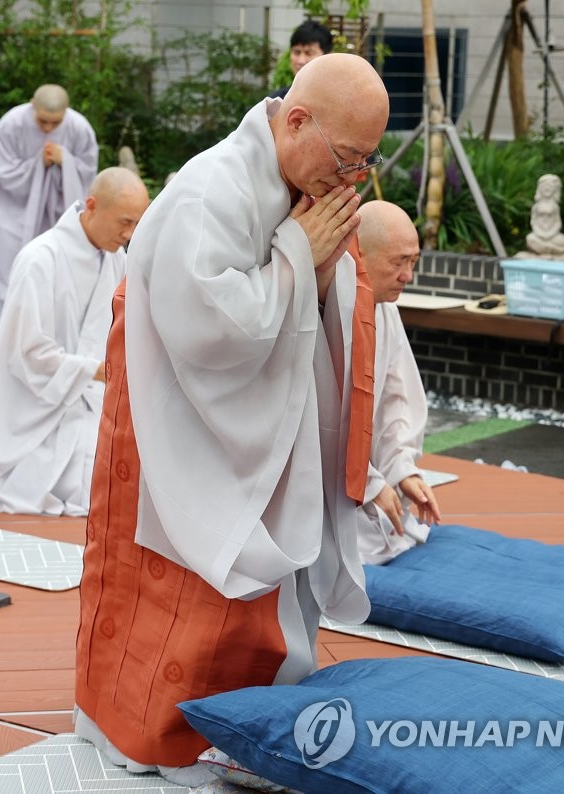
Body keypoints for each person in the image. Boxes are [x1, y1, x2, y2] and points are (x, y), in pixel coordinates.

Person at [75, 53, 389, 781]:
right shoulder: (209, 192)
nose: (350, 180)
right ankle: (159, 734)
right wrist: (294, 258)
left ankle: (252, 723)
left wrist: (312, 268)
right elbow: (207, 328)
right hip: (179, 420)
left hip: (263, 413)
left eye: (365, 164)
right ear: (298, 120)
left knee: (255, 598)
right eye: (347, 158)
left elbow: (324, 297)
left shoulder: (300, 182)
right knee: (178, 585)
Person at [0, 167, 149, 516]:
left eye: (136, 224)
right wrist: (94, 370)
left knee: (128, 475)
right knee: (79, 485)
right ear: (91, 205)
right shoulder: (40, 258)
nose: (129, 234)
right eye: (124, 222)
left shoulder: (116, 260)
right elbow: (26, 351)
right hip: (33, 399)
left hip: (87, 393)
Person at [0, 84, 98, 347]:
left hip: (58, 214)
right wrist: (38, 164)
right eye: (43, 121)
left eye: (56, 123)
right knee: (9, 268)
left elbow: (88, 174)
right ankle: (2, 343)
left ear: (66, 112)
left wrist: (67, 161)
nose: (49, 129)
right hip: (13, 211)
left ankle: (46, 344)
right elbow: (4, 172)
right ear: (32, 104)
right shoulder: (11, 124)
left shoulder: (79, 127)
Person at [353, 200, 441, 564]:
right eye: (397, 262)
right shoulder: (322, 309)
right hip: (322, 488)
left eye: (413, 261)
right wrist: (368, 483)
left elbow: (395, 401)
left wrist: (402, 471)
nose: (408, 275)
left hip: (361, 477)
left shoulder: (386, 310)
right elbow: (318, 422)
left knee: (390, 533)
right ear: (359, 254)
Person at [270, 19, 333, 99]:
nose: (301, 61)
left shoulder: (338, 100)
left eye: (309, 53)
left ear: (327, 56)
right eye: (297, 52)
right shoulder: (276, 102)